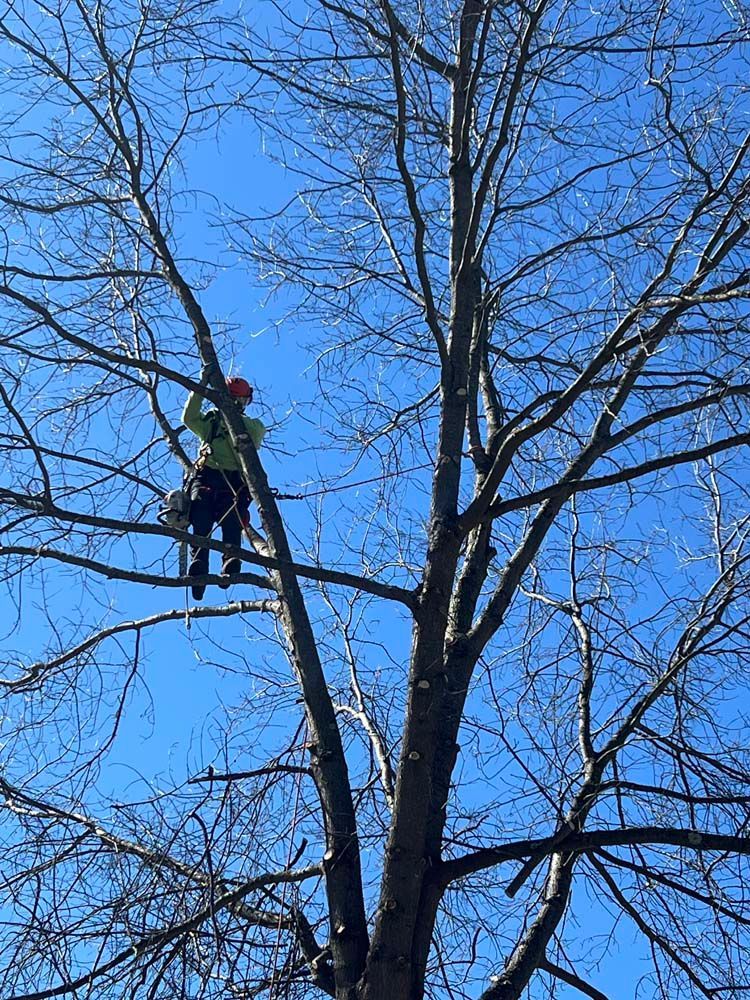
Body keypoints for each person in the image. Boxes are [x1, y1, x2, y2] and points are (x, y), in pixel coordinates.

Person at [182, 375, 265, 600]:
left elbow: (255, 437)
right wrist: (201, 387)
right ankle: (200, 562)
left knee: (229, 520)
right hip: (208, 475)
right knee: (201, 516)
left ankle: (230, 558)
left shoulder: (251, 426)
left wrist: (226, 414)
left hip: (233, 482)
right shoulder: (212, 421)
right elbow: (189, 419)